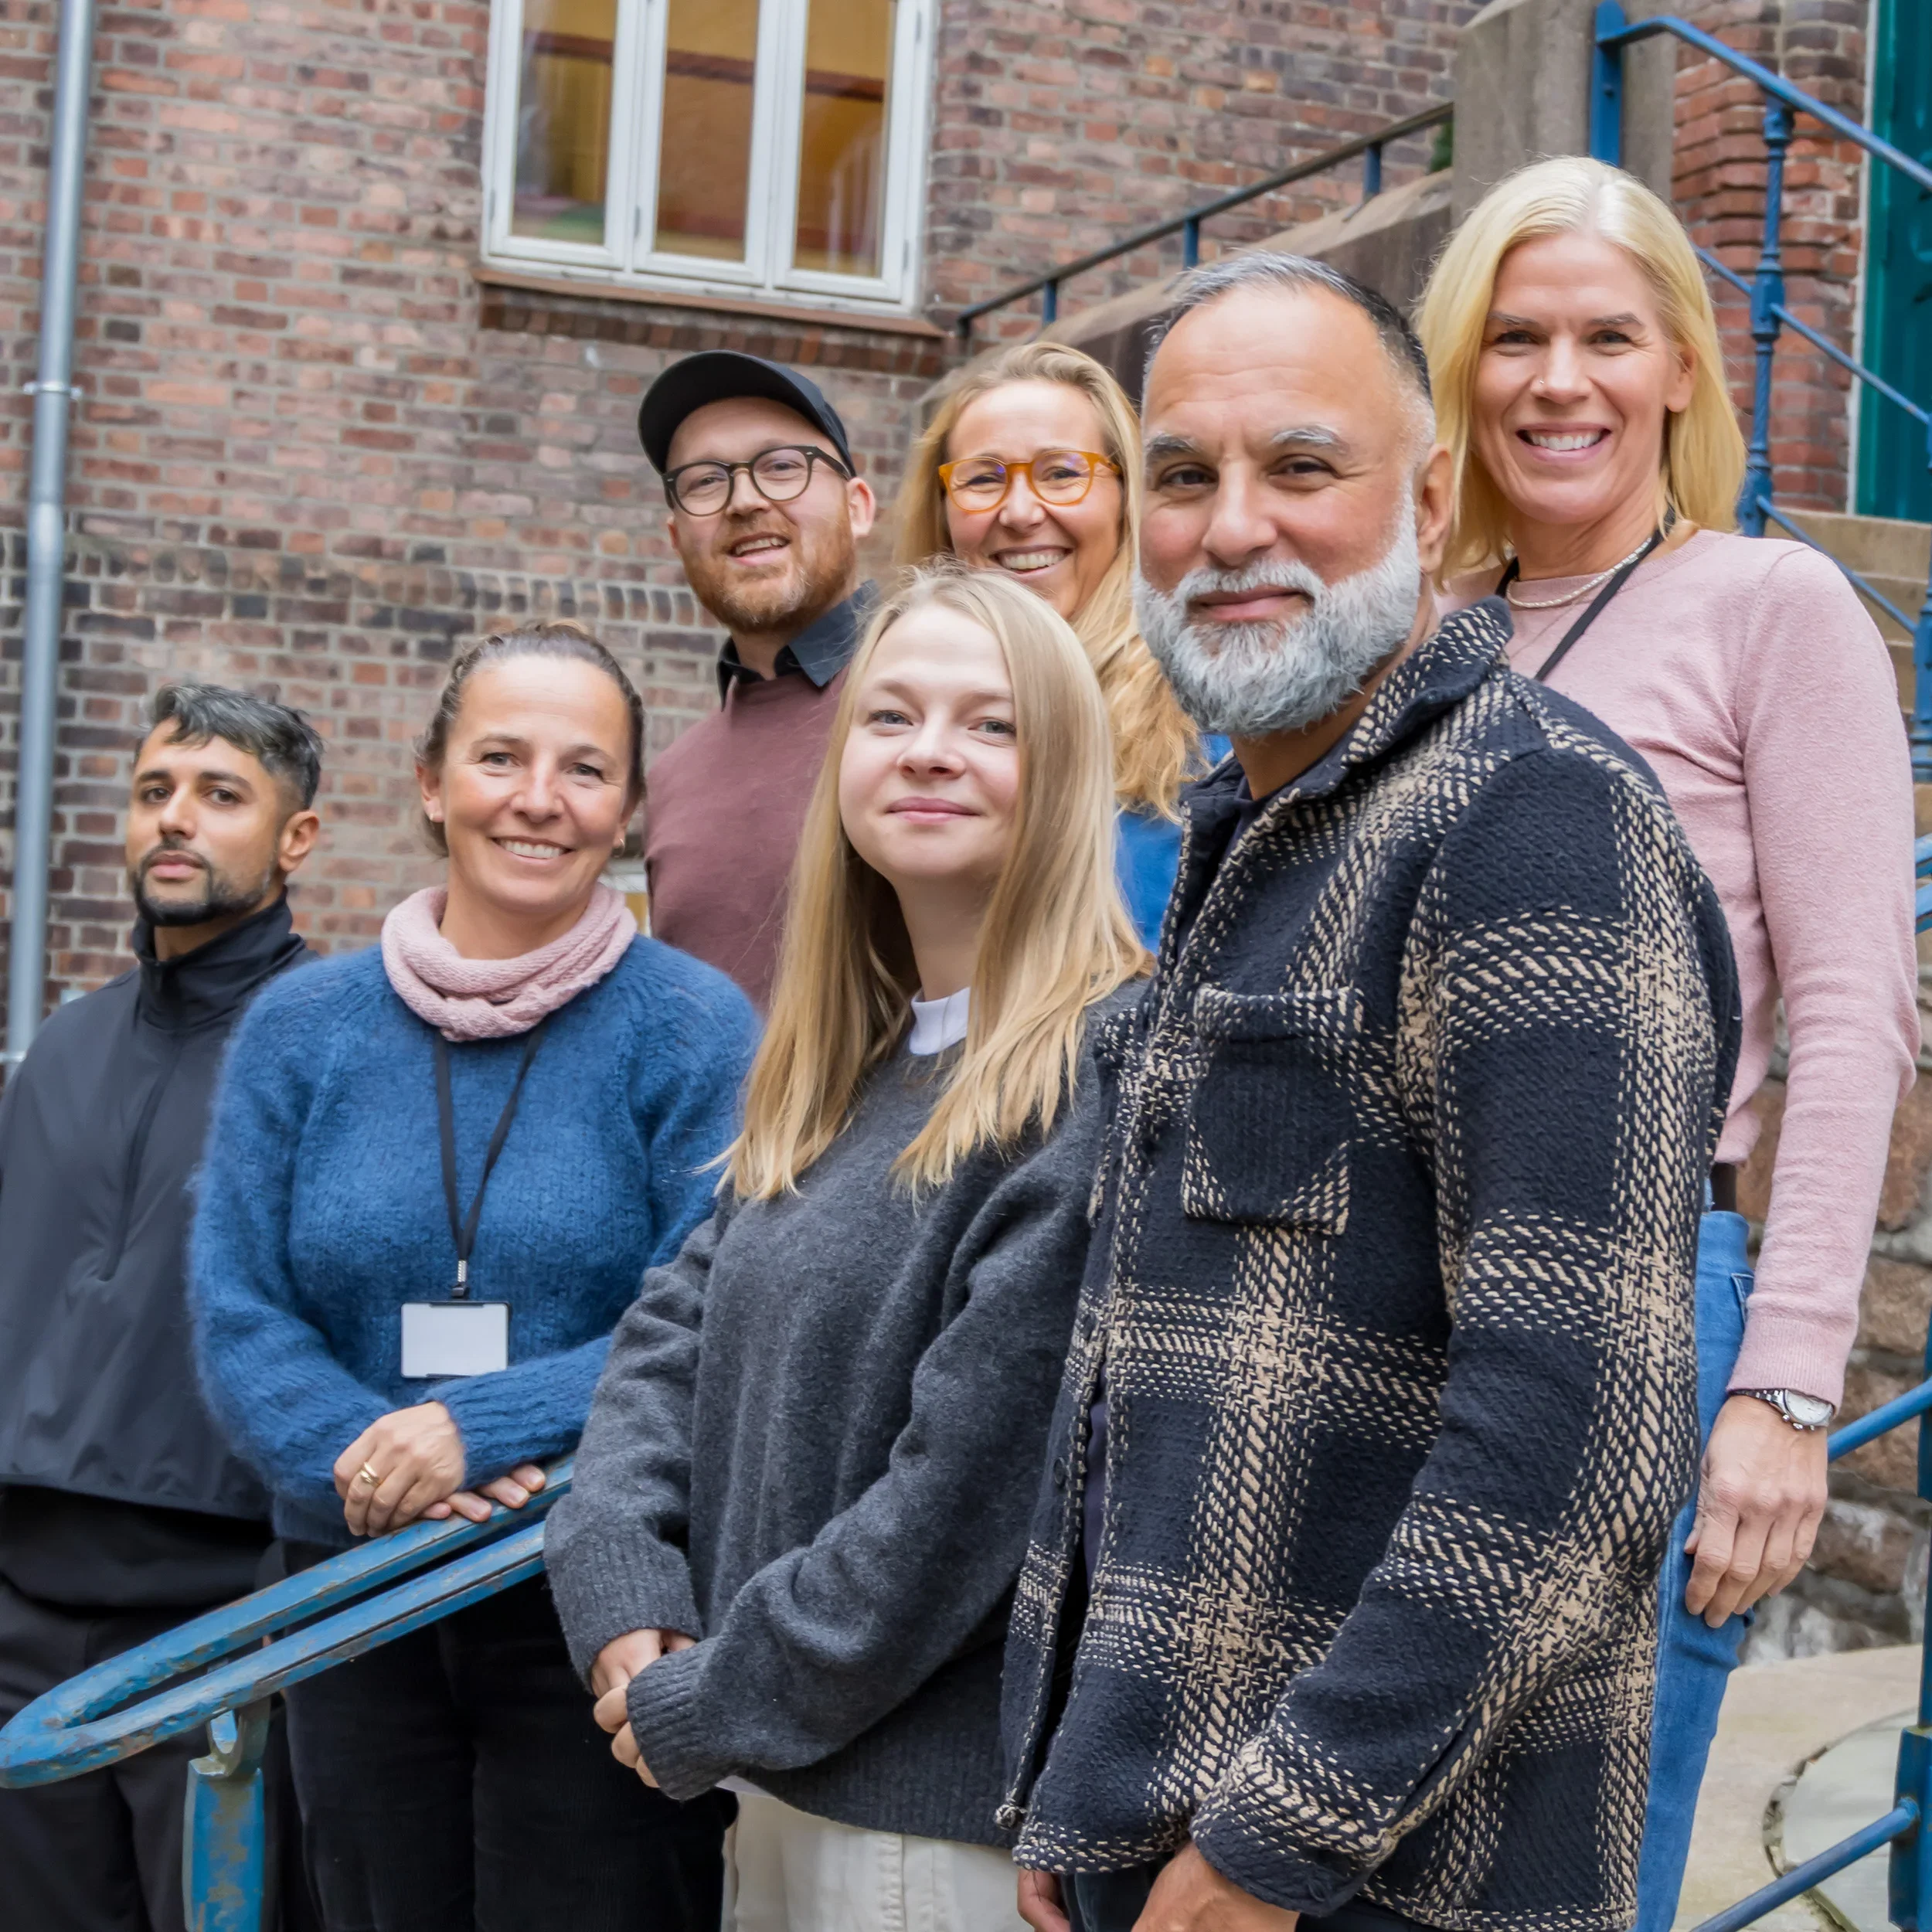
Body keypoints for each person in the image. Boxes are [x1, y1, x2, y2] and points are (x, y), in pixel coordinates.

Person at [1001, 253, 1739, 1932]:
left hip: (1380, 1880)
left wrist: (1281, 1831)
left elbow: (1581, 1434)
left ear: (1420, 494)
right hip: (1171, 1836)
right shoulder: (1238, 831)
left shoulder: (1530, 816)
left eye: (1299, 466)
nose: (1230, 524)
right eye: (1182, 475)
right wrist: (1077, 1764)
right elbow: (1150, 1388)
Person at [1416, 156, 1919, 1930]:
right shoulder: (1422, 631)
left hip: (1647, 1282)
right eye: (1517, 337)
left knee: (1576, 1848)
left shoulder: (1773, 610)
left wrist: (1786, 1394)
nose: (1559, 380)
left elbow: (1857, 1022)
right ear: (1462, 371)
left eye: (1607, 337)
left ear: (1685, 370)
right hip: (1392, 1274)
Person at [544, 564, 1147, 1932]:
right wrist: (623, 1580)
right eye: (891, 716)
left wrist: (713, 1694)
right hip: (783, 1794)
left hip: (931, 1840)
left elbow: (961, 1502)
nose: (930, 750)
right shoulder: (842, 1068)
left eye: (990, 725)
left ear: (1062, 771)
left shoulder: (1099, 1067)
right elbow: (665, 1344)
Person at [189, 621, 759, 1932]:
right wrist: (371, 1456)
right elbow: (237, 1307)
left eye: (585, 769)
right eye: (501, 757)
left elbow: (704, 1305)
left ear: (625, 812)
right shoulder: (300, 1028)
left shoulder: (694, 1028)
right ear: (433, 782)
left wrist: (481, 1426)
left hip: (586, 1592)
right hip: (351, 1592)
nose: (539, 800)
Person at [0, 684, 321, 1932]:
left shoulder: (325, 1047)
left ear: (297, 838)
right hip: (22, 1612)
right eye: (153, 793)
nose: (175, 821)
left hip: (220, 1623)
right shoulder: (61, 1051)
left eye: (219, 795)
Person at [896, 340, 1223, 942]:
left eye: (1062, 473)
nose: (1020, 512)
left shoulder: (1207, 729)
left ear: (1129, 498)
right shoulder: (898, 730)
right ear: (940, 509)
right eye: (982, 478)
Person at [638, 349, 879, 1009]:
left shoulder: (944, 699)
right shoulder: (673, 776)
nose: (745, 500)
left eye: (781, 467)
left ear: (858, 507)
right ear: (676, 535)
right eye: (705, 482)